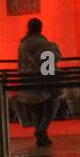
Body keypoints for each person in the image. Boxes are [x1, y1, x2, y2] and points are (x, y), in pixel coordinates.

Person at [16, 18, 63, 146]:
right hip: (42, 83)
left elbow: (19, 66)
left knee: (36, 110)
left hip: (27, 84)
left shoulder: (22, 44)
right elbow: (53, 61)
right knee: (53, 102)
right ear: (40, 28)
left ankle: (40, 135)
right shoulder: (44, 43)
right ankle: (42, 130)